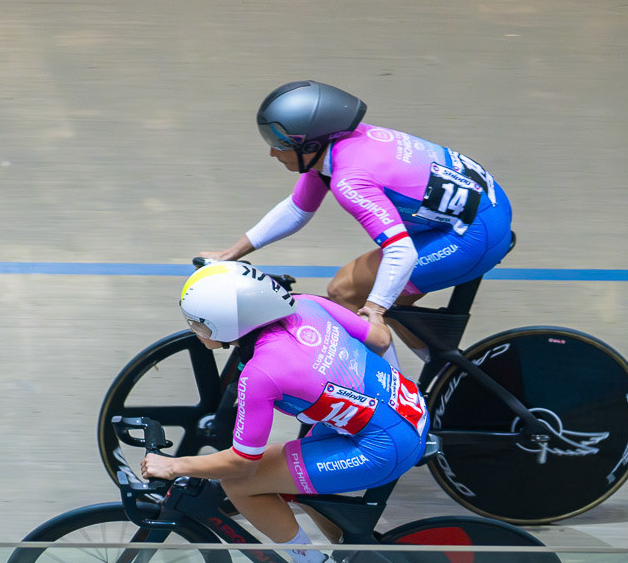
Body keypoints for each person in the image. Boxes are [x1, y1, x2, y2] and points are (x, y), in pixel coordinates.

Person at [140, 261, 430, 563]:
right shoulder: (309, 303)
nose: (194, 330)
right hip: (408, 408)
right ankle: (355, 559)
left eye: (197, 323)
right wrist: (376, 316)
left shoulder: (261, 373)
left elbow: (242, 463)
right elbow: (380, 341)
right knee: (286, 477)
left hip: (383, 445)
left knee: (241, 485)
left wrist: (174, 466)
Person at [201, 80, 515, 362]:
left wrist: (376, 310)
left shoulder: (351, 179)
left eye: (281, 144)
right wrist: (232, 253)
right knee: (378, 294)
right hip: (481, 210)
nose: (272, 153)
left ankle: (393, 401)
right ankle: (446, 373)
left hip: (473, 236)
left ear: (310, 145)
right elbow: (296, 210)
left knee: (349, 293)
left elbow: (401, 252)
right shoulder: (339, 144)